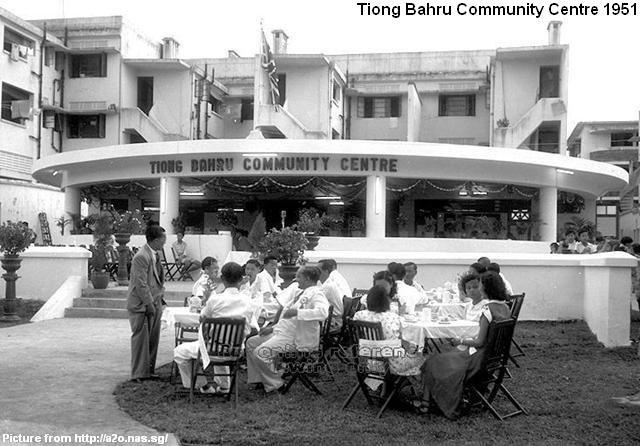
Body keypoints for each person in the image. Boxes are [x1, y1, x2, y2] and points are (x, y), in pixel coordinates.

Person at [415, 272, 511, 419]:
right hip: (494, 358)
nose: (479, 288)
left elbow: (479, 342)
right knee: (442, 357)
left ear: (486, 288)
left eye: (480, 285)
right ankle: (428, 400)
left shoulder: (487, 310)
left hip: (478, 359)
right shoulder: (505, 307)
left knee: (433, 361)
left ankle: (427, 402)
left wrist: (460, 341)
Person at [173, 262, 256, 393]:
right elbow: (253, 327)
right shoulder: (249, 302)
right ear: (241, 279)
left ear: (222, 279)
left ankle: (203, 386)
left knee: (179, 352)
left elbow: (202, 318)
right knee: (222, 339)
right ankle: (224, 386)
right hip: (235, 351)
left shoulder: (215, 300)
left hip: (212, 349)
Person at [246, 266, 329, 393]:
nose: (296, 279)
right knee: (251, 342)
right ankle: (260, 379)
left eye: (299, 276)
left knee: (260, 353)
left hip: (296, 339)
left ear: (307, 278)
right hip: (282, 333)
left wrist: (298, 312)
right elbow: (287, 320)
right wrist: (272, 328)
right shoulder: (300, 293)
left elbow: (323, 313)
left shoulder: (317, 294)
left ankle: (276, 384)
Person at [353, 285, 425, 381]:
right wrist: (414, 348)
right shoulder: (394, 318)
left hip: (368, 363)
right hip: (393, 366)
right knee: (420, 357)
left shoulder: (359, 315)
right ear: (387, 302)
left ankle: (378, 385)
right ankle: (423, 388)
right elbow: (405, 341)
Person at [126, 224, 166, 382]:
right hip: (141, 305)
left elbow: (157, 280)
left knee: (152, 339)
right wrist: (149, 304)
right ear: (155, 240)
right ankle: (138, 373)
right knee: (140, 339)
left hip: (155, 302)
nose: (165, 242)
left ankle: (148, 371)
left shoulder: (155, 255)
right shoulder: (141, 257)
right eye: (163, 239)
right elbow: (140, 283)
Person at [318, 259, 344, 330]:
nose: (315, 272)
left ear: (326, 271)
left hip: (332, 323)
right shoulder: (327, 283)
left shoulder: (328, 286)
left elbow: (313, 301)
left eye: (318, 270)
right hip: (330, 320)